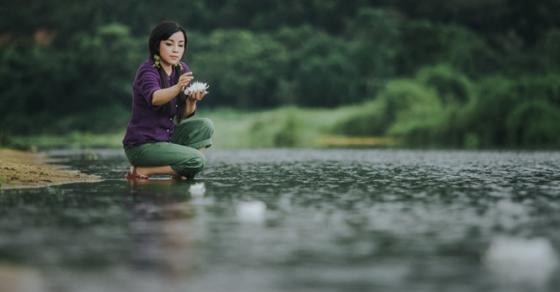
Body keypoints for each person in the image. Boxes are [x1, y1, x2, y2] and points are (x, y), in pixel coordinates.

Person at [123, 21, 214, 180]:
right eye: (169, 44)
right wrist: (178, 87)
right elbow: (155, 98)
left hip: (166, 138)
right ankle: (142, 171)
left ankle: (181, 171)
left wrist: (192, 101)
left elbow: (183, 115)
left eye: (180, 45)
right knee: (197, 160)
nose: (175, 50)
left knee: (205, 125)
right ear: (157, 45)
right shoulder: (148, 70)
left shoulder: (181, 69)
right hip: (142, 146)